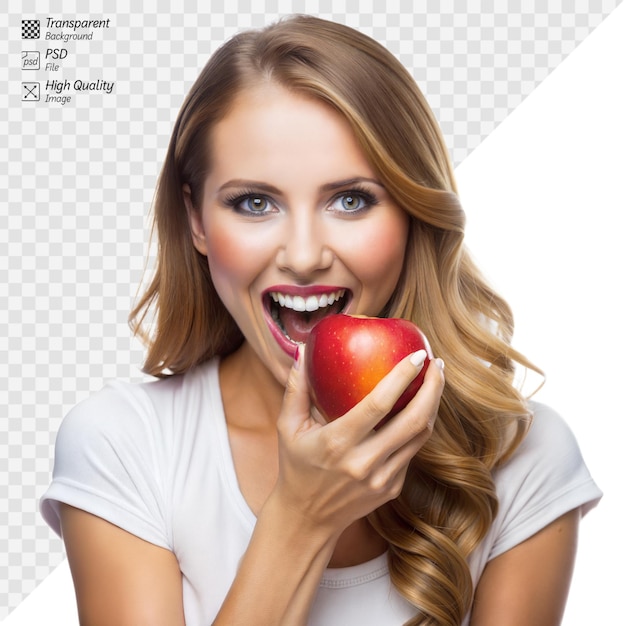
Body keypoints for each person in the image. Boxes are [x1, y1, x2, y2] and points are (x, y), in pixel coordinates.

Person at [40, 15, 601, 626]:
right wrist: (302, 516)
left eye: (351, 200)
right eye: (254, 203)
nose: (304, 255)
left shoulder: (522, 458)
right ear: (197, 221)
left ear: (413, 213)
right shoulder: (125, 446)